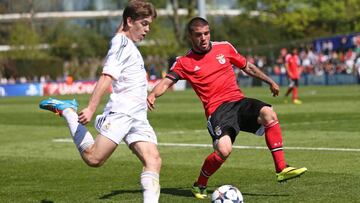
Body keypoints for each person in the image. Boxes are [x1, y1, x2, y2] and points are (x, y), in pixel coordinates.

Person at [147, 17, 307, 199]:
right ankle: (199, 184)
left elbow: (248, 67)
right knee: (223, 150)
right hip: (218, 111)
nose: (204, 38)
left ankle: (281, 168)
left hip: (238, 102)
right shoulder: (184, 62)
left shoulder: (224, 47)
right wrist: (152, 94)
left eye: (206, 33)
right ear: (191, 36)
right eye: (198, 35)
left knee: (268, 113)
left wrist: (269, 81)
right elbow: (166, 82)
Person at [39, 1, 161, 202]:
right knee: (93, 158)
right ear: (130, 21)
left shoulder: (124, 41)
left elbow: (121, 29)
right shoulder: (121, 44)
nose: (147, 30)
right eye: (145, 23)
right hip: (122, 113)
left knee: (153, 160)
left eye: (149, 25)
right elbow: (106, 77)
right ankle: (70, 112)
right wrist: (91, 108)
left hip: (138, 116)